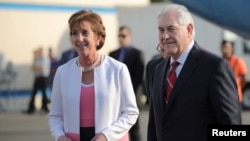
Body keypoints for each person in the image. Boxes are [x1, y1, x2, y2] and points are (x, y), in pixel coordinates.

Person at [147, 4, 242, 141]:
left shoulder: (215, 68)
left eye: (171, 29)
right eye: (161, 30)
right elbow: (154, 128)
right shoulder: (158, 71)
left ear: (189, 30)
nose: (165, 36)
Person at [48, 9, 139, 141]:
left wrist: (106, 136)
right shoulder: (62, 72)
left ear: (98, 38)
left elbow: (131, 112)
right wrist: (59, 136)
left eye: (85, 32)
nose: (79, 39)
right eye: (74, 33)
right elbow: (55, 116)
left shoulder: (118, 69)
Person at [109, 26, 144, 141]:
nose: (121, 38)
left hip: (132, 97)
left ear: (130, 37)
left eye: (123, 36)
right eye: (119, 36)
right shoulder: (112, 54)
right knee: (117, 129)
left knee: (134, 130)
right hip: (115, 99)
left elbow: (138, 77)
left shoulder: (137, 54)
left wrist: (126, 92)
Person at [221, 40, 248, 105]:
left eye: (226, 47)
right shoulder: (220, 61)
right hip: (223, 97)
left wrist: (237, 85)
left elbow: (244, 78)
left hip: (235, 97)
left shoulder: (238, 61)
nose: (224, 50)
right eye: (223, 47)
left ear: (231, 48)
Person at [24, 47, 51, 114]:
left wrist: (35, 68)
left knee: (44, 93)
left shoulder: (45, 59)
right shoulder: (37, 59)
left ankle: (45, 107)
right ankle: (31, 108)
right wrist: (34, 59)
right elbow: (33, 68)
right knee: (34, 93)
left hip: (43, 78)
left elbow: (40, 68)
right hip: (38, 77)